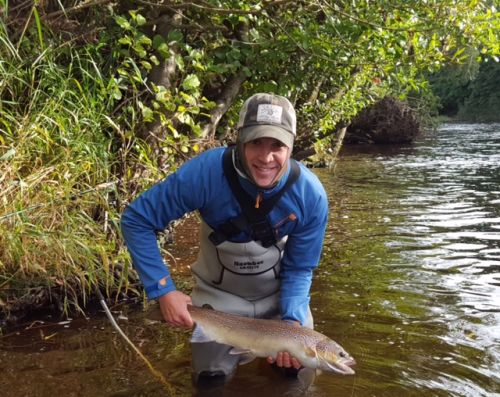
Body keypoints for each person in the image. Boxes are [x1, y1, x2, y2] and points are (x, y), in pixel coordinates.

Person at [120, 93, 328, 386]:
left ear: (291, 147)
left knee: (295, 375)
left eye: (277, 145)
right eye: (256, 142)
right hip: (218, 300)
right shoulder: (205, 173)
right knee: (210, 382)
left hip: (279, 298)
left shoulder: (310, 195)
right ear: (240, 139)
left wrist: (292, 323)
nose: (266, 158)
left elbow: (299, 268)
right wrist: (163, 290)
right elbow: (137, 219)